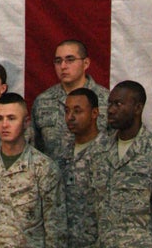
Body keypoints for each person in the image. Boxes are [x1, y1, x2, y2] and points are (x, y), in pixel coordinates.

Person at [91, 80, 152, 248]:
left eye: (118, 104)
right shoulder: (100, 152)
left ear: (138, 108)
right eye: (110, 104)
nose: (111, 110)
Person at [0, 92, 67, 248]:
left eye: (11, 118)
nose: (4, 125)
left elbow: (56, 230)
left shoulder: (44, 169)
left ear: (26, 122)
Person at [31, 40, 109, 161]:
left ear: (86, 63)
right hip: (54, 177)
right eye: (58, 61)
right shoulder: (42, 102)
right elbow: (34, 149)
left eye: (70, 60)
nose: (63, 66)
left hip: (95, 176)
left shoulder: (106, 100)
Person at [59, 88, 105, 248]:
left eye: (77, 111)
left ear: (94, 113)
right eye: (67, 111)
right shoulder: (62, 153)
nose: (70, 117)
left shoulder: (108, 153)